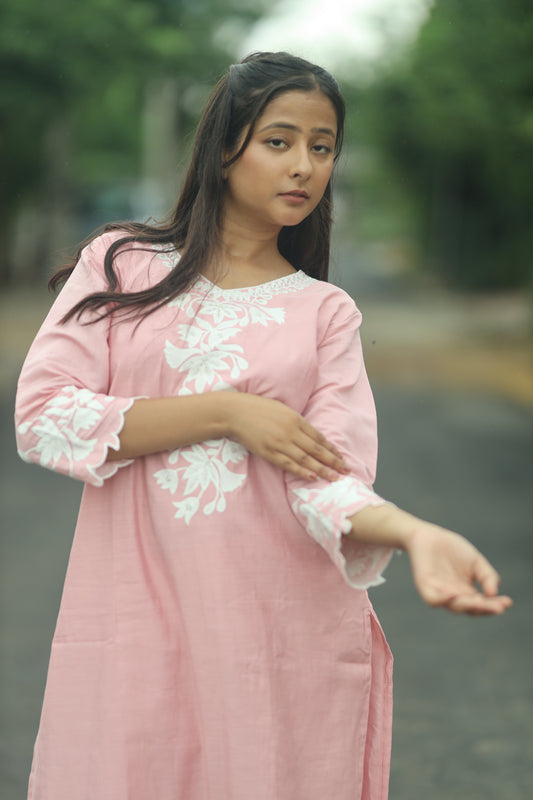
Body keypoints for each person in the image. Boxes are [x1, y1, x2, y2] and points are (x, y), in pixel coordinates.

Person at [15, 51, 511, 800]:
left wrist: (413, 533)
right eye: (278, 141)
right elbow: (44, 416)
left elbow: (330, 482)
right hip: (137, 621)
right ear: (224, 148)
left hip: (274, 634)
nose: (303, 166)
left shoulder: (323, 313)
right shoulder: (122, 267)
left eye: (322, 146)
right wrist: (227, 412)